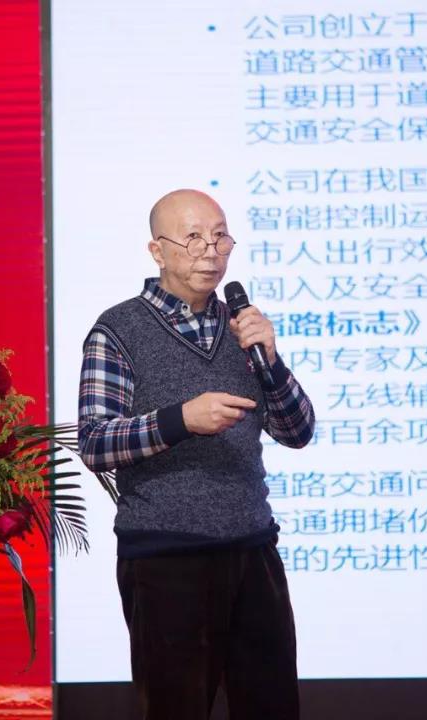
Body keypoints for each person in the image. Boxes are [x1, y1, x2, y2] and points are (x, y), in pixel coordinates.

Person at [77, 189, 316, 720]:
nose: (210, 250)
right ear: (157, 251)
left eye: (220, 237)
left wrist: (271, 361)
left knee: (273, 706)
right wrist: (181, 420)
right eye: (193, 238)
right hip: (166, 559)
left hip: (253, 550)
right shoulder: (117, 331)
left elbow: (298, 431)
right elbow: (94, 442)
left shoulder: (243, 329)